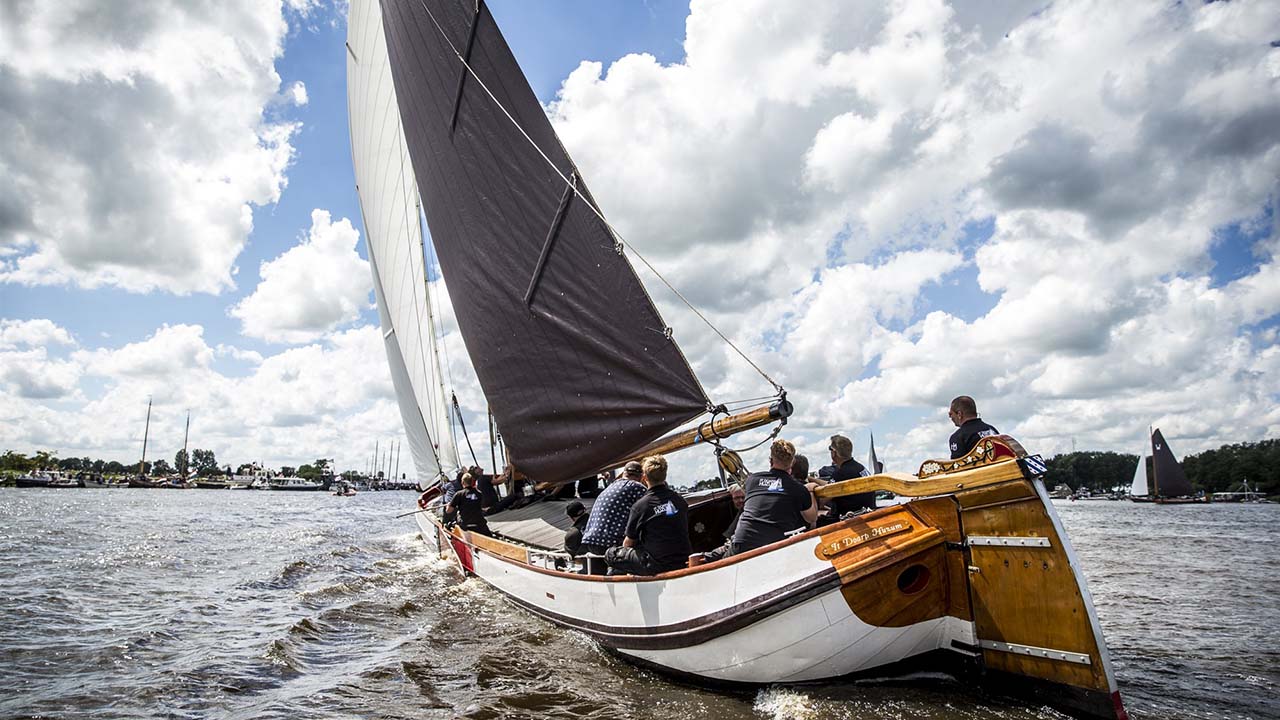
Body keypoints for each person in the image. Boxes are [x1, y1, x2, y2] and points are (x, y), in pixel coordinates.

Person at [605, 455, 690, 575]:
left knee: (611, 554)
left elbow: (628, 542)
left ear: (644, 478)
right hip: (682, 559)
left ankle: (619, 582)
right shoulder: (680, 501)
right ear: (664, 475)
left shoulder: (640, 506)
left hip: (656, 564)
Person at [731, 440, 819, 555]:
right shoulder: (798, 489)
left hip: (741, 542)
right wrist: (811, 490)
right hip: (773, 547)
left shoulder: (752, 480)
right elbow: (811, 518)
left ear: (770, 460)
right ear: (792, 462)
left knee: (718, 555)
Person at [579, 461, 647, 555]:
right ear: (641, 477)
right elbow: (650, 505)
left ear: (624, 473)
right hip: (610, 544)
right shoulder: (636, 487)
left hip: (590, 541)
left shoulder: (611, 486)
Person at [822, 434, 874, 521]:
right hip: (867, 515)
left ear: (834, 453)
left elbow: (822, 500)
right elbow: (832, 485)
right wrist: (812, 480)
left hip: (848, 520)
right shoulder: (860, 468)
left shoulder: (840, 473)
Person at [701, 483, 745, 563]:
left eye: (743, 497)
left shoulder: (746, 511)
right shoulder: (725, 512)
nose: (741, 500)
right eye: (737, 498)